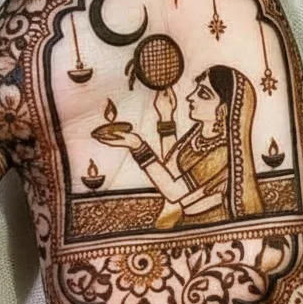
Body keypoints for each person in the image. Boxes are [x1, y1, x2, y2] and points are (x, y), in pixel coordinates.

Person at [103, 65, 263, 229]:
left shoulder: (223, 152)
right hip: (186, 222)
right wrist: (166, 116)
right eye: (196, 91)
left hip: (211, 226)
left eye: (203, 94)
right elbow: (170, 173)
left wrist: (137, 146)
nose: (191, 97)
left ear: (223, 110)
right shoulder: (196, 135)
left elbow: (174, 191)